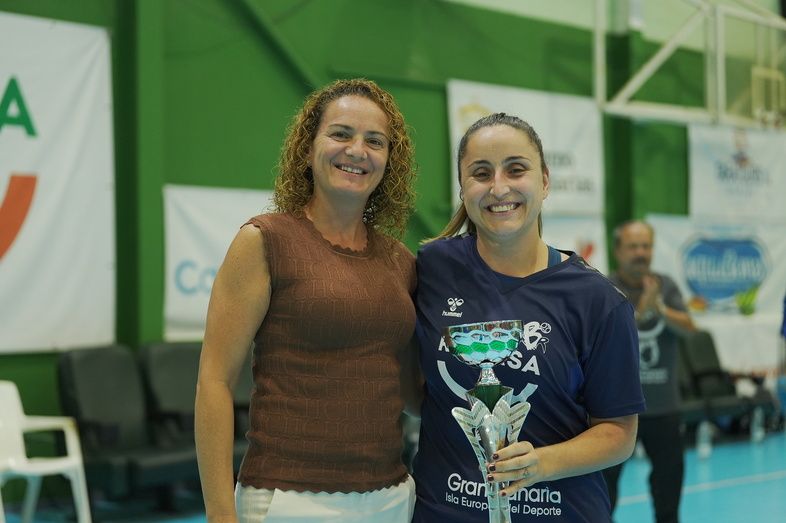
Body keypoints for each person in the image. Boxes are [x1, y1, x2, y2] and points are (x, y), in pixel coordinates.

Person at [195, 78, 419, 523]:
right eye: (341, 134)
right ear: (308, 146)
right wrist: (220, 514)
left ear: (389, 162)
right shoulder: (264, 241)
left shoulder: (401, 261)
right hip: (288, 500)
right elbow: (214, 382)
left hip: (393, 498)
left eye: (375, 141)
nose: (357, 150)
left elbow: (411, 391)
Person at [411, 112, 645, 522]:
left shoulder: (598, 301)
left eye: (516, 169)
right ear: (462, 187)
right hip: (444, 511)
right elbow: (414, 389)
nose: (499, 187)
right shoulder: (433, 268)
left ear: (545, 181)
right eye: (481, 173)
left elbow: (619, 432)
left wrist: (541, 463)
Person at [602, 220, 696, 523]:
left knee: (668, 491)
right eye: (633, 247)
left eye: (646, 246)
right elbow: (599, 340)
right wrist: (641, 312)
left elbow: (690, 330)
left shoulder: (665, 285)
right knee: (603, 494)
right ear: (618, 251)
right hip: (615, 411)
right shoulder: (603, 287)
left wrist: (661, 310)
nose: (641, 253)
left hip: (663, 407)